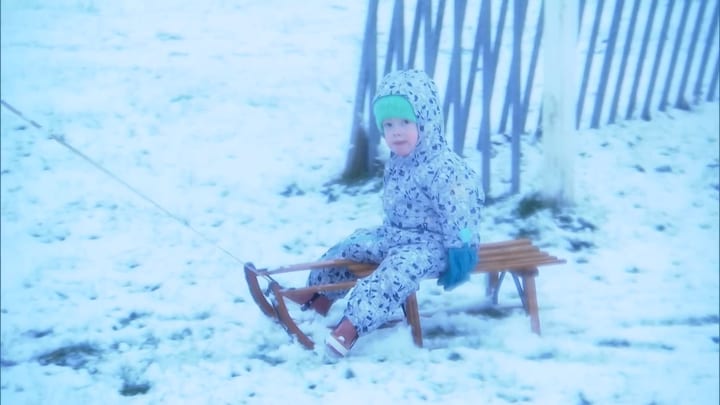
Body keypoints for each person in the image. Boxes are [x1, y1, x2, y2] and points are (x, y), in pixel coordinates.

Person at [290, 69, 484, 357]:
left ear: (426, 123)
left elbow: (462, 217)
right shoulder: (398, 162)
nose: (396, 131)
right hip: (397, 236)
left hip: (432, 246)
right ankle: (318, 296)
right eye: (389, 124)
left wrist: (462, 251)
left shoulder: (447, 170)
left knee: (392, 276)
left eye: (405, 122)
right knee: (353, 245)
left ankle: (351, 328)